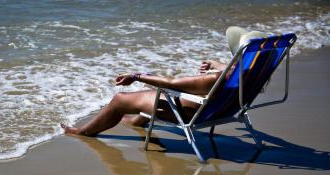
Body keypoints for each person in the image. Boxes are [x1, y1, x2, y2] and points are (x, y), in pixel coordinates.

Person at [61, 26, 265, 136]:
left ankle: (83, 131)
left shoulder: (216, 79)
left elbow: (172, 83)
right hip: (219, 110)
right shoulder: (255, 75)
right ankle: (135, 121)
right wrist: (216, 63)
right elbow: (231, 69)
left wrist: (136, 75)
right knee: (154, 88)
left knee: (120, 99)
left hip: (191, 114)